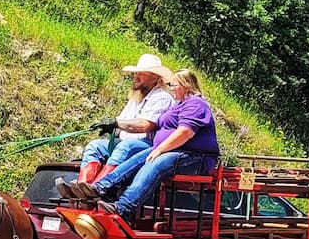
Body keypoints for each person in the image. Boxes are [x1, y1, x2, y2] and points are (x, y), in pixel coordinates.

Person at [88, 70, 219, 222]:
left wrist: (159, 149)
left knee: (156, 164)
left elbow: (185, 133)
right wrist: (118, 127)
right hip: (175, 151)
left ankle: (124, 208)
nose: (170, 88)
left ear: (186, 85)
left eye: (173, 85)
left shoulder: (196, 104)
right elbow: (154, 124)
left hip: (196, 157)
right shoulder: (178, 105)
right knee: (138, 158)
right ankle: (102, 187)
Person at [78, 53, 174, 185]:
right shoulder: (136, 99)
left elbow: (145, 125)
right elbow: (121, 122)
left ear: (154, 78)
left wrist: (116, 123)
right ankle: (82, 186)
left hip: (149, 146)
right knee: (95, 146)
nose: (136, 76)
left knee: (125, 146)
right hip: (125, 143)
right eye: (136, 73)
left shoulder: (162, 98)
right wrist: (109, 126)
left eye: (142, 73)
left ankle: (98, 188)